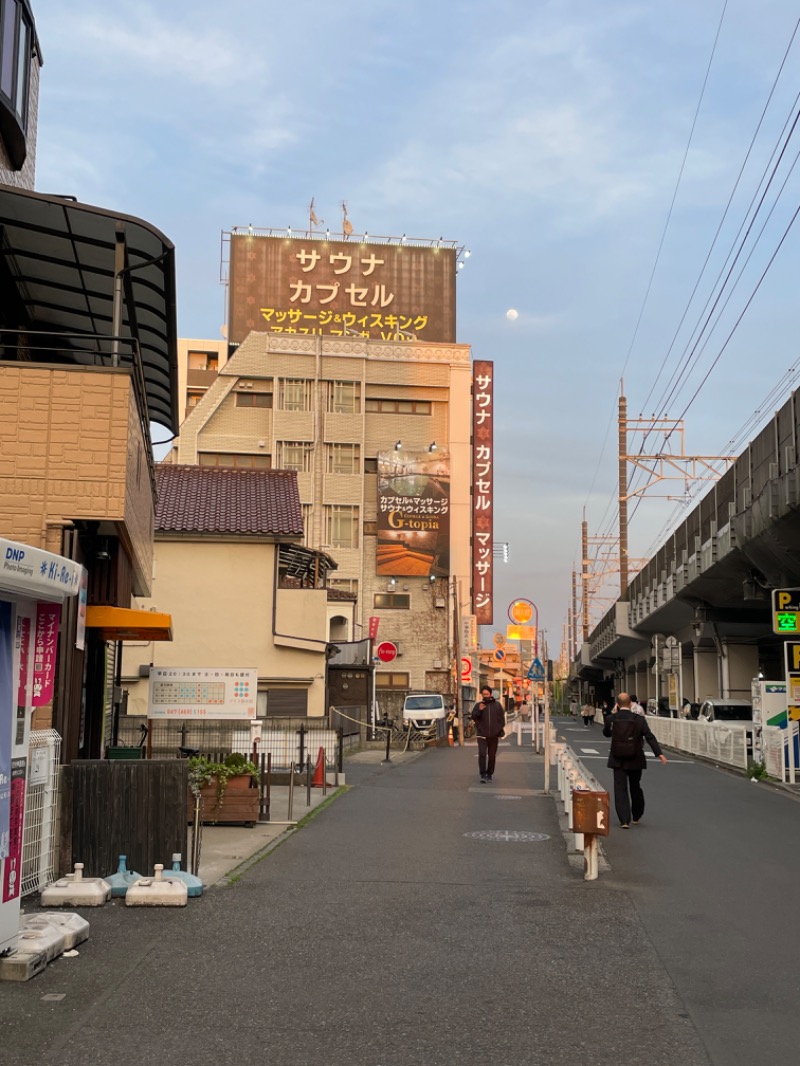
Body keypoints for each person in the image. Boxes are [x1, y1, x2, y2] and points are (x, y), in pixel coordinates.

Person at [603, 692, 667, 827]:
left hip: (617, 758)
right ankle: (636, 815)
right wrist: (659, 753)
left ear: (618, 704)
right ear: (631, 704)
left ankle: (624, 820)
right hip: (636, 758)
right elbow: (649, 736)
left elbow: (606, 733)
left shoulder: (611, 718)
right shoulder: (639, 719)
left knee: (620, 788)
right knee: (635, 786)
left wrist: (613, 715)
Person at [471, 685, 505, 783]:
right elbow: (473, 717)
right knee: (482, 754)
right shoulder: (478, 705)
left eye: (487, 694)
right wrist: (479, 710)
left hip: (494, 736)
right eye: (483, 694)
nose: (485, 696)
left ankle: (489, 773)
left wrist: (498, 730)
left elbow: (502, 720)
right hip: (482, 734)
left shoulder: (497, 705)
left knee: (492, 755)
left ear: (490, 694)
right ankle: (483, 774)